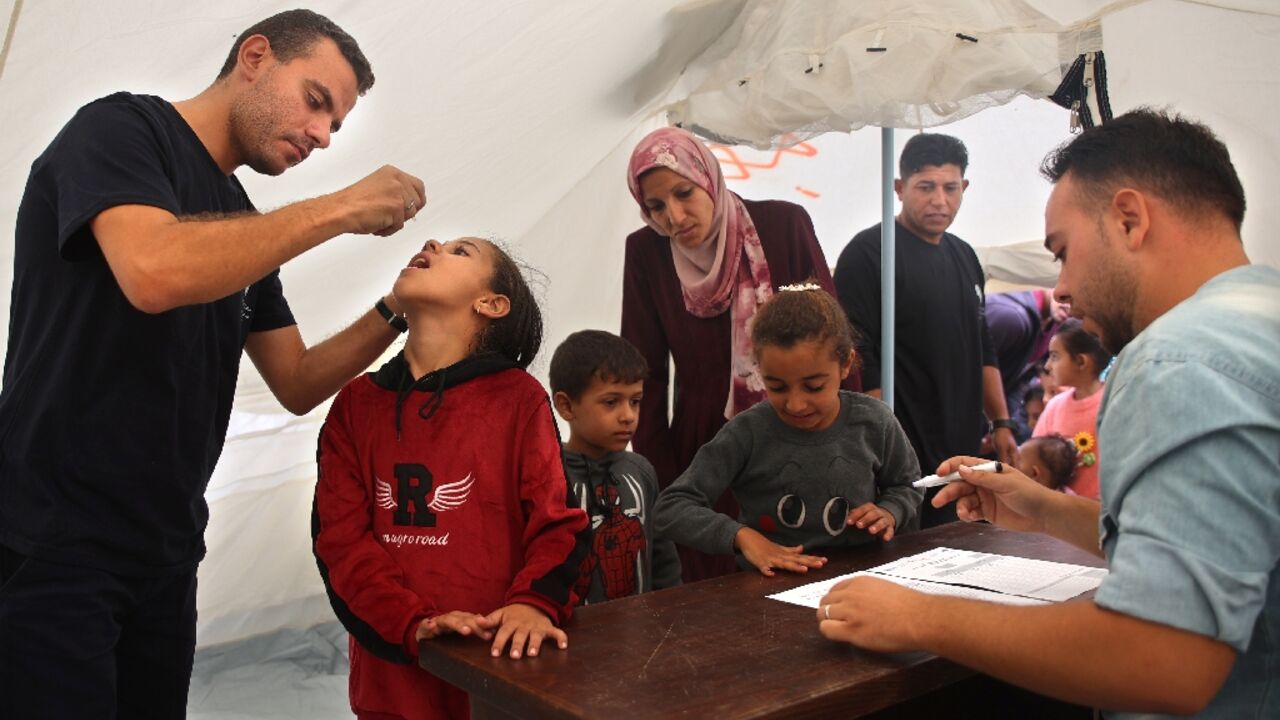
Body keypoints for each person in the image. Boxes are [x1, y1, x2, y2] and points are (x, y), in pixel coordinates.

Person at [0, 10, 425, 718]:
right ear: (254, 57)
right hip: (54, 544)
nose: (322, 136)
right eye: (317, 101)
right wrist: (343, 207)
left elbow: (295, 380)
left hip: (164, 555)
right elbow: (154, 270)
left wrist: (396, 309)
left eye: (337, 127)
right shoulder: (121, 132)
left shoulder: (238, 217)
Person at [816, 109, 1279, 718]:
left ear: (1130, 220)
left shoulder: (1175, 360)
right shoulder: (1260, 314)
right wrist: (1047, 510)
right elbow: (1225, 544)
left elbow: (1163, 655)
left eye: (1063, 252)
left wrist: (918, 615)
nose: (1060, 289)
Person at [313, 237, 591, 720]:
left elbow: (558, 525)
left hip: (499, 667)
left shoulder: (518, 399)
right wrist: (410, 623)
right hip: (392, 681)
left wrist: (533, 605)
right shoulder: (355, 405)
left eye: (461, 252)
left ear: (490, 304)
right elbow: (339, 543)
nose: (433, 244)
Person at [622, 126, 857, 581]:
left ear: (708, 178)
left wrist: (849, 443)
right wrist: (663, 478)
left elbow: (832, 339)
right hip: (704, 452)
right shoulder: (647, 252)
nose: (673, 216)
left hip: (794, 431)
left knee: (803, 572)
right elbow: (642, 371)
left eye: (684, 193)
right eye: (656, 205)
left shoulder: (782, 225)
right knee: (716, 588)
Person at [654, 284, 921, 576]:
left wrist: (890, 512)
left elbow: (907, 486)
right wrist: (743, 537)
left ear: (846, 364)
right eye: (777, 387)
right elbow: (672, 507)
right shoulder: (747, 432)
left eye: (814, 386)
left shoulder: (875, 420)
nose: (795, 404)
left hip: (864, 582)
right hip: (772, 591)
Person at [833, 133, 1017, 528]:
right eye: (925, 187)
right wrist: (885, 445)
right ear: (899, 189)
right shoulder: (869, 254)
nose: (939, 200)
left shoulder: (965, 255)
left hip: (963, 452)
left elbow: (984, 345)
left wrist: (1001, 422)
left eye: (950, 188)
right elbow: (862, 359)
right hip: (903, 454)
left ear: (964, 188)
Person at [549, 329, 682, 603]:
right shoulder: (548, 475)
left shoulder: (641, 471)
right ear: (566, 406)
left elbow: (663, 556)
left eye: (635, 401)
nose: (628, 416)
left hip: (640, 633)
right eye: (611, 402)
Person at [1033, 319, 1113, 498]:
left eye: (1055, 356)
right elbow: (1035, 459)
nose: (1047, 366)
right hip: (1058, 514)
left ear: (1081, 361)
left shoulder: (1114, 403)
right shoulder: (1054, 406)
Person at [985, 288, 1066, 440]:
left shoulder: (1055, 329)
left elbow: (1018, 381)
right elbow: (970, 371)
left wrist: (1002, 425)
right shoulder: (1011, 318)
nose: (1067, 303)